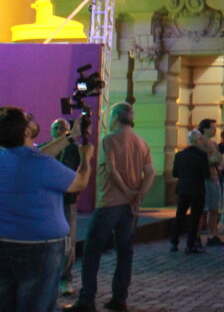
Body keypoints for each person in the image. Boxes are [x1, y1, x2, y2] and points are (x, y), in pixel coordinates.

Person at [1, 108, 93, 312]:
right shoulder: (42, 164)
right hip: (39, 247)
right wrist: (86, 159)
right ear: (26, 132)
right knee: (37, 304)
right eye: (29, 119)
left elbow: (34, 154)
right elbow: (78, 183)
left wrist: (71, 136)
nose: (33, 120)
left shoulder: (5, 156)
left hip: (5, 241)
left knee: (6, 302)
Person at [69, 102, 154, 312]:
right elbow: (150, 172)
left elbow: (112, 170)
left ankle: (87, 299)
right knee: (125, 251)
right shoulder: (141, 142)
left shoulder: (109, 139)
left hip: (109, 203)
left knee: (92, 251)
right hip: (130, 208)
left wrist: (126, 191)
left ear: (115, 116)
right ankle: (119, 298)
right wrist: (138, 196)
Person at [51, 118, 82, 297]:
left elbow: (80, 170)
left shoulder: (74, 149)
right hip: (49, 200)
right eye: (55, 128)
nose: (58, 130)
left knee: (68, 240)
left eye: (61, 127)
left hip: (67, 200)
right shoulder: (46, 148)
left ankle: (66, 278)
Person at [170, 130, 210, 254]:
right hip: (197, 189)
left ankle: (174, 242)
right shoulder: (202, 155)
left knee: (179, 216)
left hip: (183, 188)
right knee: (195, 217)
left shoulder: (179, 155)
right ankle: (190, 244)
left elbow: (175, 173)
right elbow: (206, 174)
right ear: (198, 140)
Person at [196, 119, 224, 247]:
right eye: (213, 127)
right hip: (203, 179)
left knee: (213, 208)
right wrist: (212, 158)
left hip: (214, 178)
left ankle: (212, 235)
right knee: (201, 209)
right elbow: (206, 160)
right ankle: (196, 235)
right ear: (205, 129)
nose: (215, 130)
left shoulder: (213, 144)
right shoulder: (199, 142)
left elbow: (219, 159)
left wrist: (213, 158)